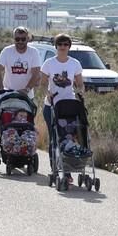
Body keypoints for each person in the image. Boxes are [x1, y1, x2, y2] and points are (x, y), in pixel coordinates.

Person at [40, 33, 84, 184]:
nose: (63, 47)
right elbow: (43, 81)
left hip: (69, 106)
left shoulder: (74, 63)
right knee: (55, 139)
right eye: (60, 45)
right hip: (51, 106)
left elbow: (79, 83)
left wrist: (80, 92)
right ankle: (55, 169)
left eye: (66, 44)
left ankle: (68, 171)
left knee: (69, 138)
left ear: (69, 47)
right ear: (56, 47)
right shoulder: (49, 63)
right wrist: (48, 92)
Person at [0, 26, 41, 97]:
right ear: (14, 39)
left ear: (27, 39)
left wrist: (26, 90)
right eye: (17, 39)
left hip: (27, 95)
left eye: (23, 39)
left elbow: (36, 74)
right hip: (8, 94)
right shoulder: (7, 51)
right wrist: (1, 89)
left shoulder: (34, 52)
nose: (20, 41)